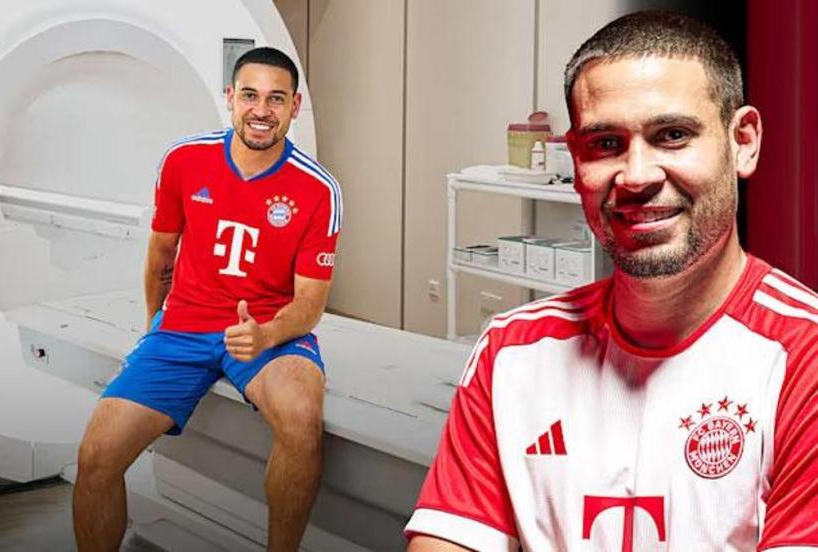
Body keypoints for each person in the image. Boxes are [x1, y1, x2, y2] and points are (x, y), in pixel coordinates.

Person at [406, 11, 817, 552]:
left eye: (673, 135)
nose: (637, 176)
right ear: (576, 158)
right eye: (605, 144)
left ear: (743, 141)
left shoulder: (804, 356)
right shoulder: (512, 349)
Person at [72, 47, 342, 552]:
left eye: (276, 98)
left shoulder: (318, 189)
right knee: (96, 456)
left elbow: (310, 303)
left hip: (268, 330)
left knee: (303, 420)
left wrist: (265, 334)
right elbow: (161, 254)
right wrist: (155, 328)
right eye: (250, 95)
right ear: (230, 98)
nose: (261, 109)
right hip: (184, 326)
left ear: (294, 106)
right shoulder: (184, 160)